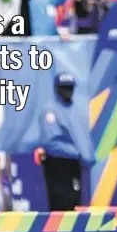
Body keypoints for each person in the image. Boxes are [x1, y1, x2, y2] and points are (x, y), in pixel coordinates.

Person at [34, 72, 94, 211]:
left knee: (75, 204)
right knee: (61, 205)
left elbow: (82, 138)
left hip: (75, 165)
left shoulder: (76, 111)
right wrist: (78, 153)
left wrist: (87, 156)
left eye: (70, 88)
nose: (67, 91)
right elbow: (51, 142)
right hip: (59, 165)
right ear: (57, 89)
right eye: (64, 88)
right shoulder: (50, 111)